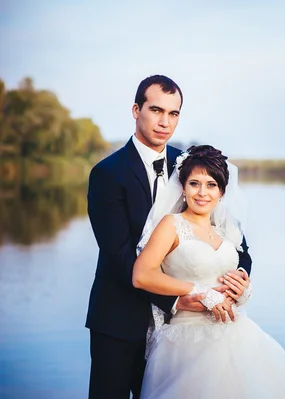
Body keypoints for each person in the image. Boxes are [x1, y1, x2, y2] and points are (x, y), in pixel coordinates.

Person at [85, 75, 252, 399]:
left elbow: (234, 239)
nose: (165, 122)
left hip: (187, 333)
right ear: (136, 110)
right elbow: (118, 254)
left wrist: (240, 277)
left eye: (174, 113)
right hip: (121, 320)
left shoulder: (191, 166)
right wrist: (178, 299)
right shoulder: (107, 174)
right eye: (156, 110)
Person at [132, 145, 285, 398]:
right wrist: (199, 292)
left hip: (236, 335)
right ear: (183, 188)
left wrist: (242, 289)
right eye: (194, 183)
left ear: (221, 192)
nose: (202, 193)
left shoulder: (224, 231)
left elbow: (234, 273)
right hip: (187, 340)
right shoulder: (171, 224)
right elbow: (142, 275)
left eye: (211, 185)